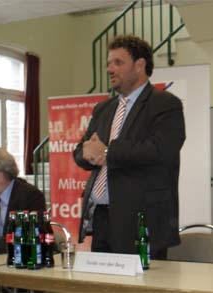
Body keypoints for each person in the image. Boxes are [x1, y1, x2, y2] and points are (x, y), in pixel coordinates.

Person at [73, 35, 186, 259]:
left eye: (118, 62)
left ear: (140, 65)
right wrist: (87, 153)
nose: (110, 69)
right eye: (108, 63)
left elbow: (159, 150)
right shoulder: (103, 109)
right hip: (100, 218)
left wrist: (107, 153)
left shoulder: (165, 104)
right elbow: (81, 151)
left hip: (141, 221)